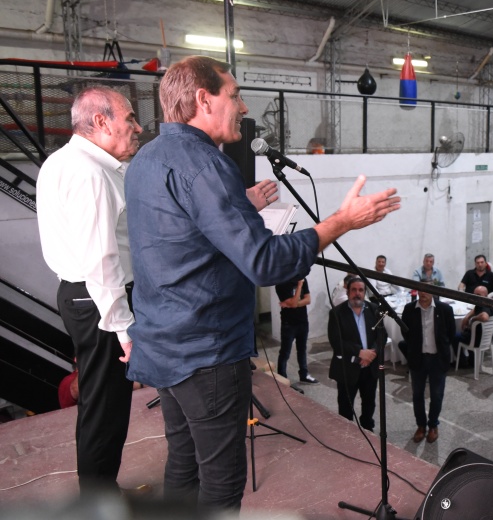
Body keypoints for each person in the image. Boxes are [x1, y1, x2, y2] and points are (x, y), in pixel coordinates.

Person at [125, 56, 400, 509]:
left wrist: (240, 205)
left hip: (162, 344)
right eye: (234, 95)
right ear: (203, 98)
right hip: (205, 353)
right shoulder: (205, 165)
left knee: (183, 464)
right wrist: (341, 222)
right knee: (222, 483)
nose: (243, 105)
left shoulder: (146, 159)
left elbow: (181, 236)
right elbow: (265, 263)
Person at [35, 87, 143, 494]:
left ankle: (99, 492)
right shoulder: (90, 172)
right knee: (105, 407)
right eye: (129, 118)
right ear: (101, 121)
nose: (136, 127)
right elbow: (102, 260)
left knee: (103, 403)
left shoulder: (65, 161)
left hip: (84, 297)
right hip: (98, 300)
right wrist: (124, 330)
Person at [400, 290, 455, 444]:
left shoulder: (444, 309)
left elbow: (450, 334)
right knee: (417, 394)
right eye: (421, 290)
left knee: (437, 395)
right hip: (418, 358)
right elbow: (405, 332)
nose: (424, 293)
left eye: (427, 290)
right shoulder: (409, 309)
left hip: (437, 359)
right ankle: (421, 426)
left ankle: (433, 425)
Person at [329, 278, 378, 429]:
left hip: (369, 368)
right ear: (348, 292)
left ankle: (368, 429)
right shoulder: (337, 313)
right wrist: (360, 352)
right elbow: (336, 342)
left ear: (365, 292)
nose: (357, 293)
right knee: (345, 406)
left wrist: (371, 354)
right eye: (354, 290)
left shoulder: (374, 309)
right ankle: (347, 434)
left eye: (361, 290)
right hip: (347, 369)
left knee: (369, 403)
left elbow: (382, 336)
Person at [276, 276, 316, 387]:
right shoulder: (281, 283)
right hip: (289, 324)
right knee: (285, 352)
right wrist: (299, 286)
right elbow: (293, 303)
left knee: (302, 350)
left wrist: (294, 304)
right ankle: (282, 378)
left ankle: (304, 374)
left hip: (303, 321)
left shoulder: (303, 279)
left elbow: (308, 300)